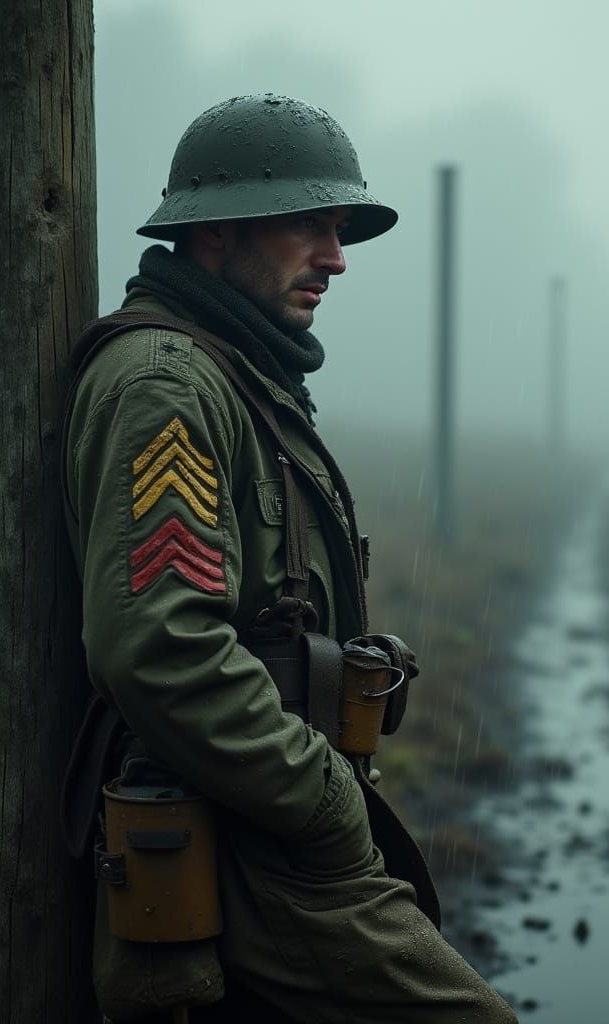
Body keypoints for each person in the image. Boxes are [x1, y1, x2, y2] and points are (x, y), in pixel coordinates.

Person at [62, 93, 516, 1023]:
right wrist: (320, 804)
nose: (336, 257)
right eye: (309, 224)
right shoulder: (168, 386)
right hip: (244, 838)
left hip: (258, 820)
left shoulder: (236, 371)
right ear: (217, 232)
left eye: (340, 227)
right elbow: (160, 647)